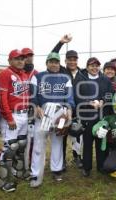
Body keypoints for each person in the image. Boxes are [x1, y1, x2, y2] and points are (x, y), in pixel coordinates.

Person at [29, 52, 75, 187]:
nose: (54, 64)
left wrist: (69, 115)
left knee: (58, 142)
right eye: (51, 62)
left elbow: (70, 98)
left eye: (56, 62)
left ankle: (57, 170)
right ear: (46, 63)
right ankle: (35, 173)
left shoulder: (65, 78)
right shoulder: (38, 76)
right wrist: (36, 106)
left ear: (59, 63)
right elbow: (32, 95)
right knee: (39, 144)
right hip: (43, 113)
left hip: (60, 112)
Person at [0, 49, 30, 192]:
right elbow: (1, 98)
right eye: (17, 58)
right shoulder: (5, 74)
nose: (20, 61)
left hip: (24, 114)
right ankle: (2, 181)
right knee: (10, 148)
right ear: (9, 61)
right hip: (13, 115)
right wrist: (8, 117)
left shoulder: (24, 75)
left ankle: (18, 172)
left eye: (22, 59)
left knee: (21, 145)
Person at [74, 57, 114, 177]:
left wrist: (102, 101)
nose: (94, 68)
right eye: (92, 65)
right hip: (87, 116)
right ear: (87, 67)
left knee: (101, 141)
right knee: (87, 143)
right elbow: (76, 96)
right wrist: (88, 102)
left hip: (102, 116)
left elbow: (110, 94)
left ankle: (101, 166)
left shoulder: (105, 79)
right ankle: (87, 167)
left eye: (96, 65)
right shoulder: (80, 78)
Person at [51, 34, 83, 169]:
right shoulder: (62, 71)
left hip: (78, 110)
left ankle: (78, 157)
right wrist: (60, 43)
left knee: (77, 135)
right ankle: (62, 160)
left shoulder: (83, 73)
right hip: (64, 110)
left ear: (77, 60)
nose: (72, 62)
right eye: (69, 59)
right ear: (65, 61)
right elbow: (53, 55)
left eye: (74, 59)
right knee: (62, 134)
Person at [21, 47, 38, 174]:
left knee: (31, 139)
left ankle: (30, 164)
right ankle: (20, 164)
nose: (29, 57)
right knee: (19, 140)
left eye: (30, 55)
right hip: (19, 109)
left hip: (32, 110)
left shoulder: (36, 73)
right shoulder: (18, 73)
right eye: (26, 56)